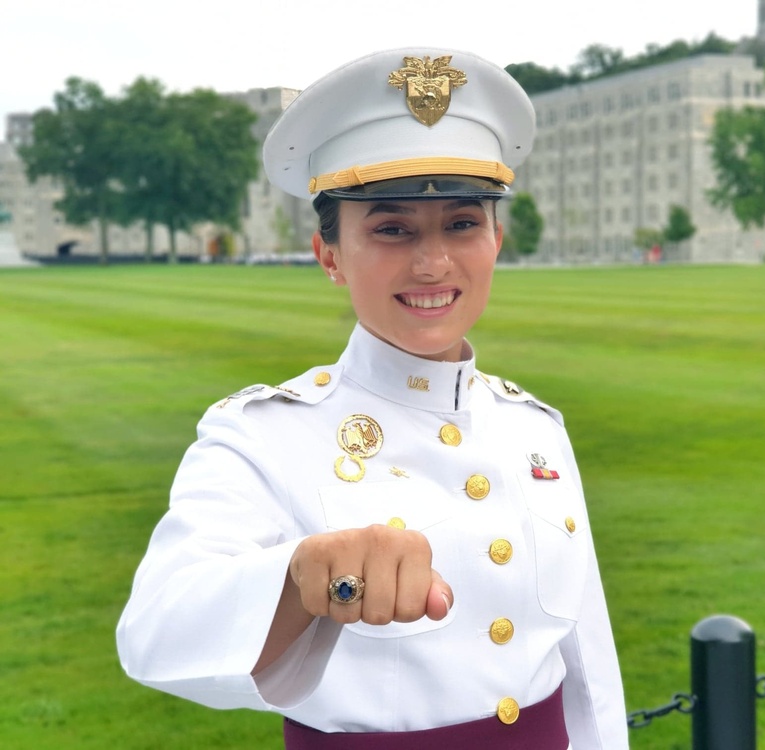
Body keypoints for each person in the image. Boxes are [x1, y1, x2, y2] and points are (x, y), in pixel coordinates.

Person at [117, 47, 628, 749]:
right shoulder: (264, 433)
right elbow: (155, 629)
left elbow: (587, 668)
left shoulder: (534, 427)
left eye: (461, 223)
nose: (433, 262)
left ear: (496, 239)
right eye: (392, 229)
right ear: (329, 254)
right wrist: (298, 578)